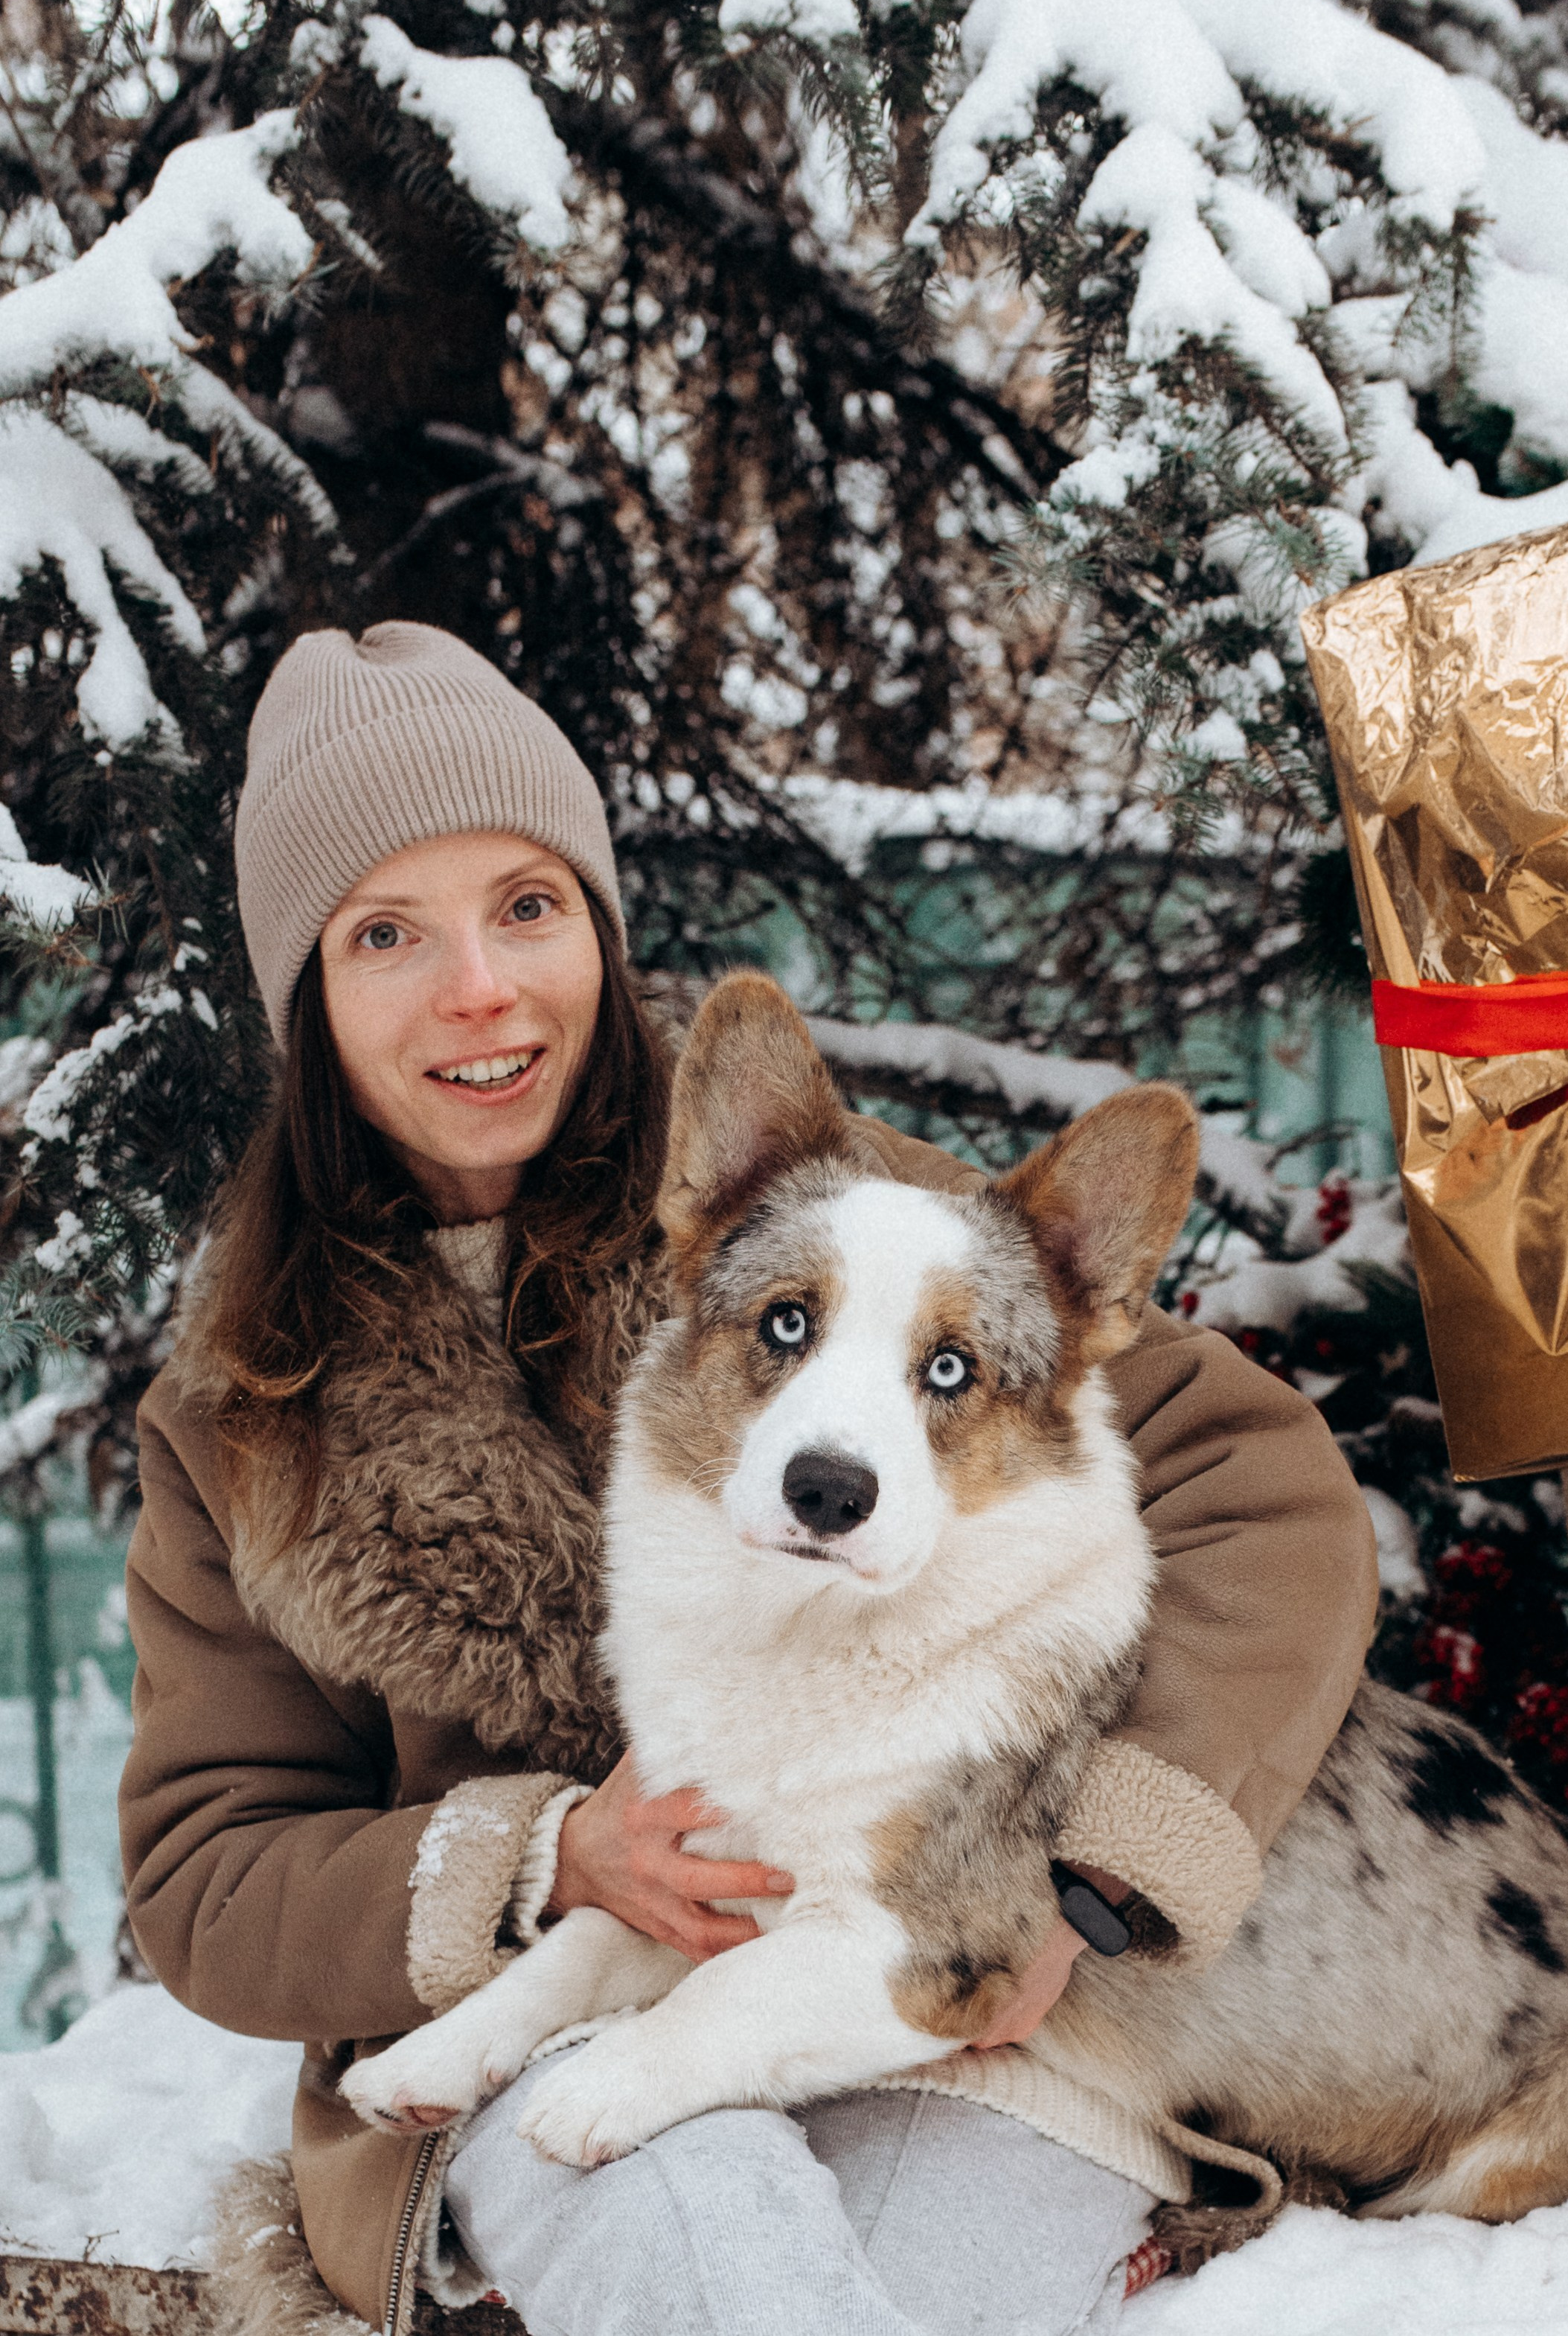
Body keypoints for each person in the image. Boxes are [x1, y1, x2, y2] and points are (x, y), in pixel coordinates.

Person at [120, 624, 1378, 2336]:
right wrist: (548, 1857)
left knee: (924, 2273)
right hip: (552, 2031)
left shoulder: (843, 1216)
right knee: (691, 2216)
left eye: (528, 907)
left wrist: (1091, 1871)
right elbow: (208, 1875)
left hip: (938, 2000)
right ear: (307, 993)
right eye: (386, 935)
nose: (478, 987)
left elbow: (1263, 1498)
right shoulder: (235, 1415)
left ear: (597, 926)